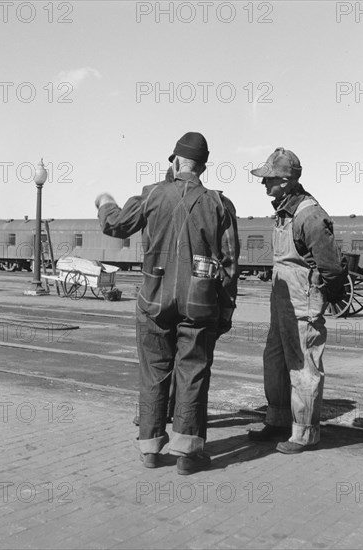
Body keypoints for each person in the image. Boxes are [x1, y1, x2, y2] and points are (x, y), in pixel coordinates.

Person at [95, 132, 239, 474]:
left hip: (154, 299)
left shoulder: (152, 195)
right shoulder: (220, 204)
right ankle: (188, 454)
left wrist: (104, 201)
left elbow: (116, 225)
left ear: (174, 162)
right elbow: (230, 264)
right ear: (203, 167)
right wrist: (226, 311)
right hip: (199, 303)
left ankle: (150, 449)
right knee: (193, 373)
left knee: (153, 372)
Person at [247, 147, 347, 454]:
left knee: (303, 364)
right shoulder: (285, 209)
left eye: (270, 179)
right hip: (283, 302)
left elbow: (331, 267)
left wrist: (323, 295)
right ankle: (277, 420)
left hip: (302, 301)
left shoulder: (309, 215)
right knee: (274, 360)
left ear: (287, 180)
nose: (264, 184)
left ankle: (305, 433)